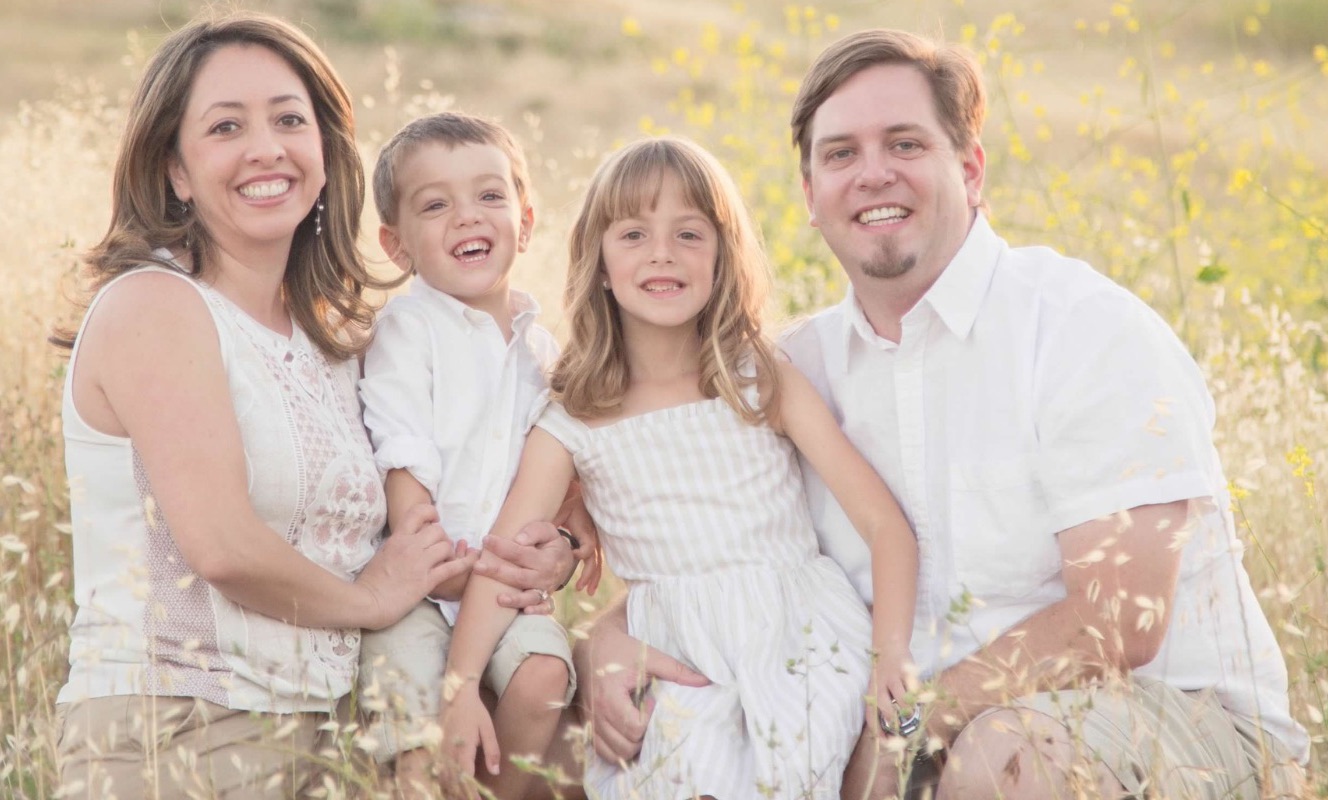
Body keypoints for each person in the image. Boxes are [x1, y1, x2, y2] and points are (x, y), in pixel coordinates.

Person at [583, 28, 1309, 800]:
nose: (872, 174)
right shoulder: (792, 372)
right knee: (588, 735)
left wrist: (907, 728)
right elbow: (720, 555)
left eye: (904, 144)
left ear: (970, 169)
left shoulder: (1085, 330)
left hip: (1168, 720)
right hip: (900, 727)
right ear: (808, 195)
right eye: (839, 155)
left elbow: (1117, 621)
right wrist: (603, 640)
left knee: (1004, 763)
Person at [50, 13, 474, 798]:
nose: (266, 148)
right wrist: (371, 600)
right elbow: (222, 546)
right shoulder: (155, 306)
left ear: (323, 150)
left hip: (329, 742)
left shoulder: (335, 341)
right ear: (175, 169)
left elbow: (435, 492)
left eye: (289, 119)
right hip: (176, 736)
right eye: (225, 127)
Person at [446, 136, 919, 800]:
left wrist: (888, 656)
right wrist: (461, 685)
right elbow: (504, 561)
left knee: (791, 773)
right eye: (634, 233)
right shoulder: (575, 418)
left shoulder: (757, 380)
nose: (662, 253)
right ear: (600, 264)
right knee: (689, 777)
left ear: (723, 258)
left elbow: (884, 525)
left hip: (797, 635)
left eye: (689, 234)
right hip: (673, 649)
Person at [356, 110, 601, 800]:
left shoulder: (542, 350)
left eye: (490, 196)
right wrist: (438, 565)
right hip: (418, 589)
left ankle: (495, 788)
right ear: (397, 245)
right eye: (436, 205)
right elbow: (403, 460)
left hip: (503, 588)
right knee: (417, 729)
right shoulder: (408, 331)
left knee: (544, 678)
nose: (468, 217)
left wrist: (571, 526)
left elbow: (560, 467)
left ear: (524, 221)